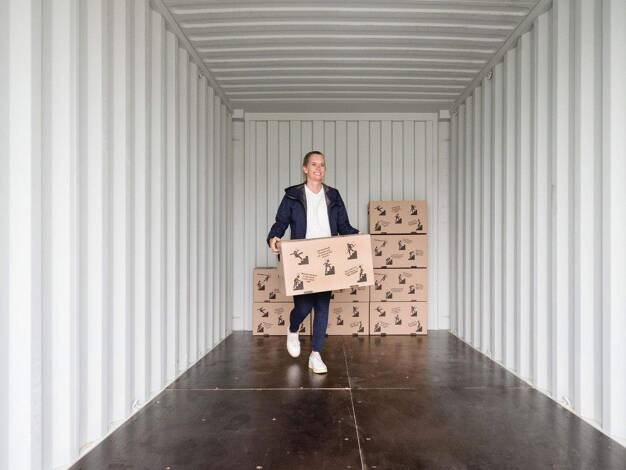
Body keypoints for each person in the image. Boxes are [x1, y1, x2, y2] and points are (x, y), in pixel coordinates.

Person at [267, 151, 358, 374]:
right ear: (305, 168)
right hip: (303, 260)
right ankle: (293, 328)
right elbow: (280, 222)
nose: (319, 168)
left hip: (327, 257)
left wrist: (359, 239)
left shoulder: (333, 195)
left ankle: (315, 355)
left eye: (322, 165)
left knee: (322, 307)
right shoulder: (292, 196)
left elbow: (344, 226)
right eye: (314, 164)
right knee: (304, 306)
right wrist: (273, 238)